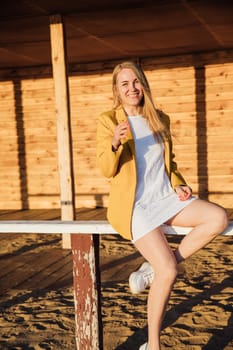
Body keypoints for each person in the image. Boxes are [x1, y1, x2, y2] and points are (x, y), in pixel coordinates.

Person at [96, 61, 228, 350]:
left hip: (165, 197)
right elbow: (106, 169)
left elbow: (170, 164)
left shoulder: (160, 119)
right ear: (117, 91)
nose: (132, 88)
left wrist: (179, 182)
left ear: (143, 84)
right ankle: (152, 345)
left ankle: (150, 269)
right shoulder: (109, 120)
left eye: (135, 82)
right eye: (124, 84)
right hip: (136, 206)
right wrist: (115, 144)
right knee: (168, 272)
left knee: (218, 218)